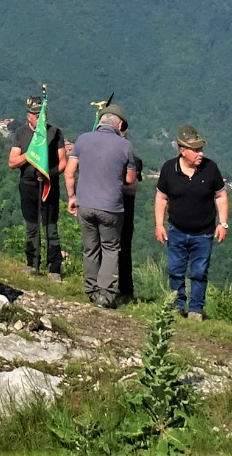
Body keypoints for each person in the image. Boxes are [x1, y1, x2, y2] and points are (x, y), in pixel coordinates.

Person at [65, 101, 138, 308]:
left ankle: (90, 289)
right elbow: (131, 179)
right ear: (119, 124)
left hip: (85, 204)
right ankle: (105, 295)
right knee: (110, 248)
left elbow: (69, 172)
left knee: (90, 248)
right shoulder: (125, 146)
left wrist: (72, 197)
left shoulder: (83, 139)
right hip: (110, 207)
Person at [154, 124, 228, 320]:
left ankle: (196, 309)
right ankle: (177, 306)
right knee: (175, 270)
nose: (200, 153)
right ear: (183, 151)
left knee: (199, 272)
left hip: (203, 232)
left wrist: (223, 223)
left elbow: (221, 196)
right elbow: (161, 198)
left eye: (201, 149)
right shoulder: (169, 169)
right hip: (176, 230)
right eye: (195, 150)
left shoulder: (210, 168)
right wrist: (159, 225)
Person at [8, 96, 68, 281]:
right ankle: (32, 264)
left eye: (42, 114)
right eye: (36, 115)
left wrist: (49, 173)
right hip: (27, 186)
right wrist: (30, 154)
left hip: (48, 185)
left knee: (51, 226)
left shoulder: (55, 133)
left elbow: (63, 162)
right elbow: (12, 162)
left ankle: (54, 268)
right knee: (31, 226)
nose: (40, 118)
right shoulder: (21, 133)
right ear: (29, 116)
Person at [118, 114, 144, 302]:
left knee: (123, 249)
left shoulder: (135, 160)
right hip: (114, 206)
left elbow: (133, 186)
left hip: (124, 209)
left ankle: (125, 289)